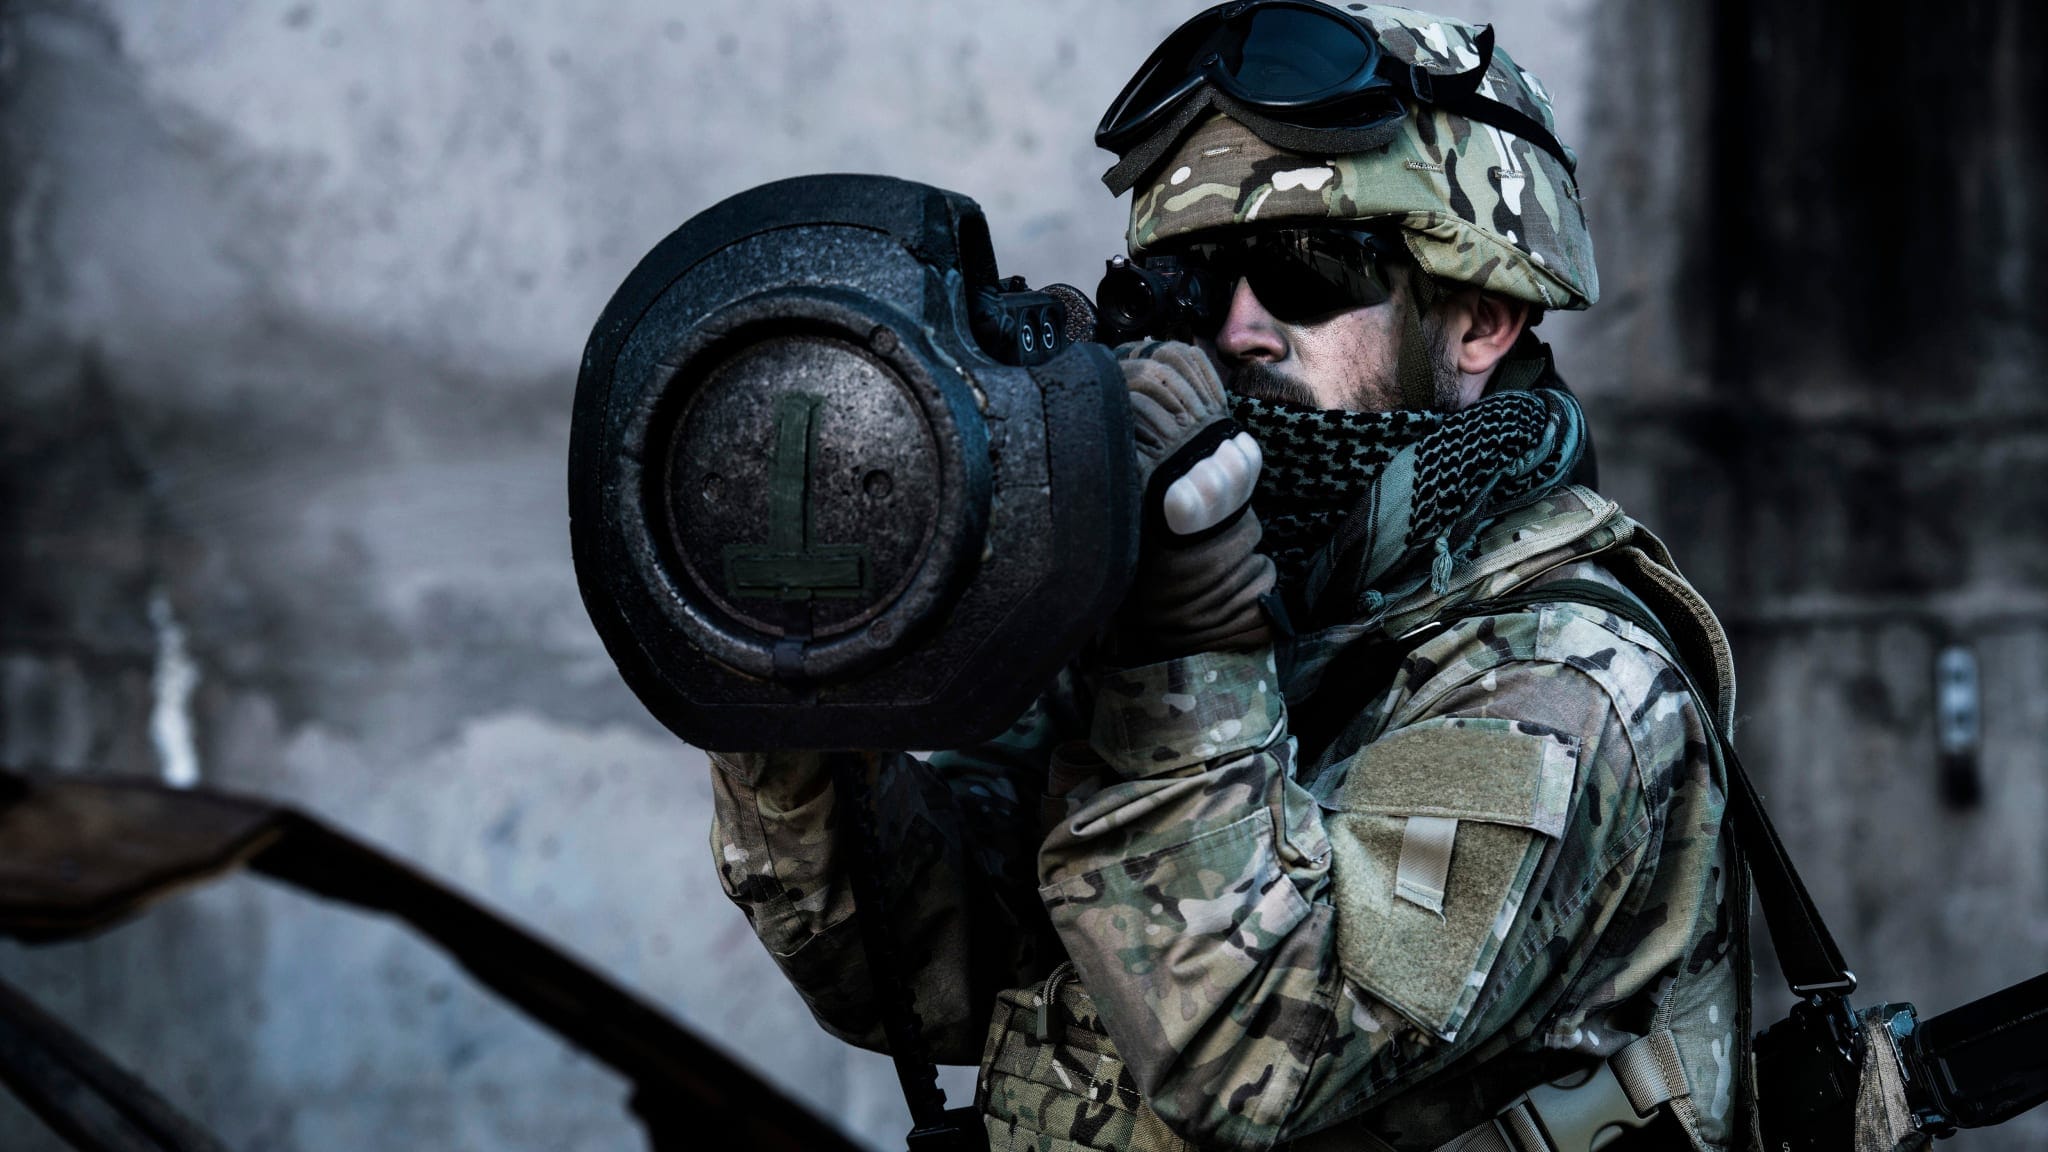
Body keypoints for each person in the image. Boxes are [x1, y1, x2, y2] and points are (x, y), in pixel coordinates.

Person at [708, 4, 1745, 1149]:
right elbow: (921, 974)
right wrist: (805, 683)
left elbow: (1253, 1055)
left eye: (1305, 271)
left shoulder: (1574, 684)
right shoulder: (1211, 587)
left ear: (1478, 321)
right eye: (1196, 282)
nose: (1238, 330)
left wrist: (1186, 649)